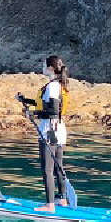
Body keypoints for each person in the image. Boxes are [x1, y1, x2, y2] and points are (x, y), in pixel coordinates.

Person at [16, 55, 70, 212]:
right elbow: (46, 105)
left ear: (51, 69)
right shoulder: (58, 85)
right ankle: (62, 200)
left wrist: (34, 115)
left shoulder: (53, 86)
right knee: (58, 166)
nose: (42, 67)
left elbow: (52, 110)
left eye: (44, 65)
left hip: (50, 130)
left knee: (47, 168)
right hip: (59, 129)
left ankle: (49, 205)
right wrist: (24, 100)